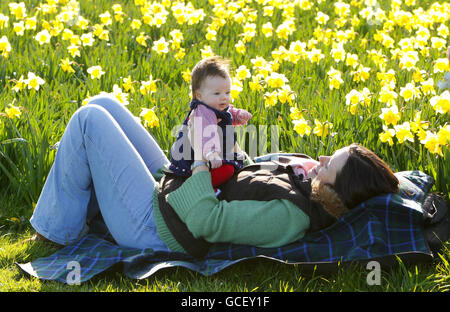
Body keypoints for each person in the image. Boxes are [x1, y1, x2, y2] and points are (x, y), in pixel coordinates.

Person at [28, 95, 399, 257]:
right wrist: (223, 140)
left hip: (158, 228)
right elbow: (249, 181)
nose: (319, 158)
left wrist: (203, 164)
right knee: (102, 103)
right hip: (174, 195)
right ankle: (80, 212)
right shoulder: (309, 188)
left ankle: (57, 231)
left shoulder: (291, 215)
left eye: (328, 164)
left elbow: (209, 222)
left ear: (334, 187)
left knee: (88, 121)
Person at [169, 57, 252, 189]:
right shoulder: (203, 113)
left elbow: (228, 113)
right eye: (217, 93)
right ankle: (205, 187)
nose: (224, 97)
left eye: (227, 92)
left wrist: (239, 115)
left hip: (212, 154)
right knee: (227, 170)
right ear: (199, 96)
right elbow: (205, 135)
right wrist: (211, 153)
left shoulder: (216, 106)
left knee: (230, 165)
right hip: (195, 157)